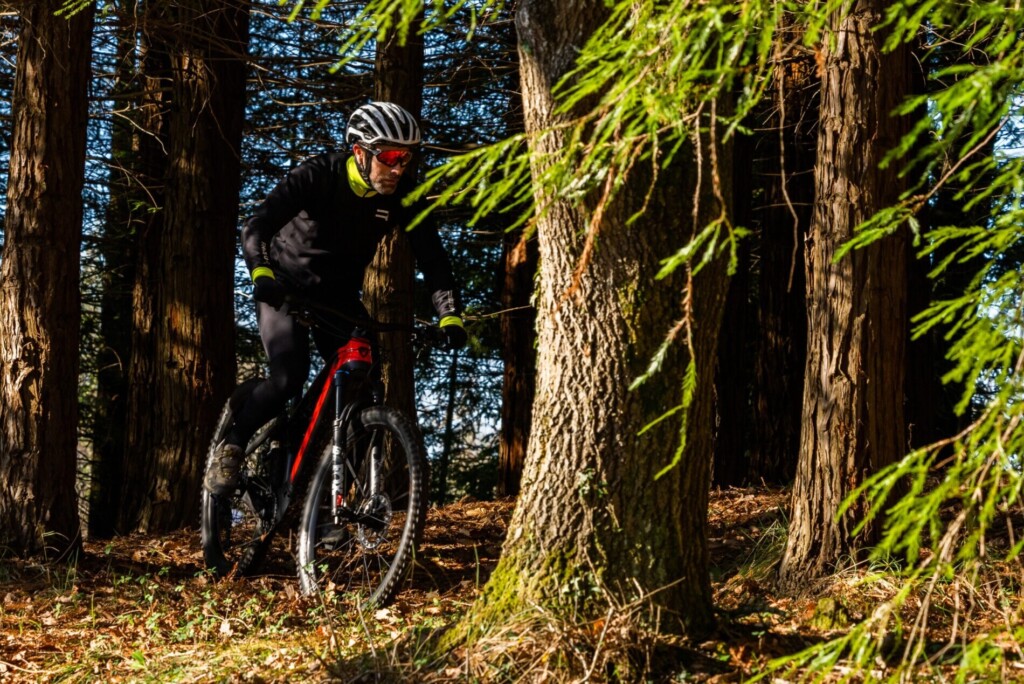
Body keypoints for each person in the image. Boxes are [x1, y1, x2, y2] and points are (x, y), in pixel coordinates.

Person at [205, 101, 467, 496]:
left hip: (338, 296)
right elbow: (257, 226)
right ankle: (234, 443)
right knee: (288, 376)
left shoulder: (403, 195)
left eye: (407, 158)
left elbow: (433, 257)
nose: (399, 168)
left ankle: (333, 507)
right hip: (284, 287)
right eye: (391, 156)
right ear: (360, 151)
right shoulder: (319, 174)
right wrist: (261, 274)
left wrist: (449, 314)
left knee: (361, 386)